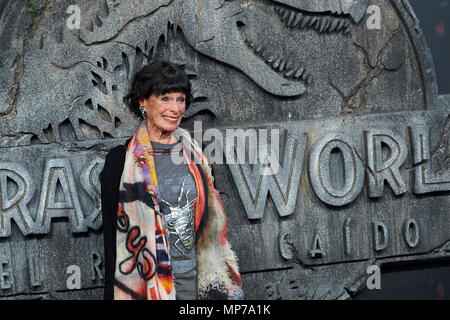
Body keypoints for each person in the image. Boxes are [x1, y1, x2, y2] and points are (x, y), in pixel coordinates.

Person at [100, 60, 243, 300]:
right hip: (149, 286)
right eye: (165, 98)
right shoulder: (120, 161)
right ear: (143, 101)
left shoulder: (195, 156)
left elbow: (210, 226)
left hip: (201, 286)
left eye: (181, 99)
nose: (175, 108)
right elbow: (114, 244)